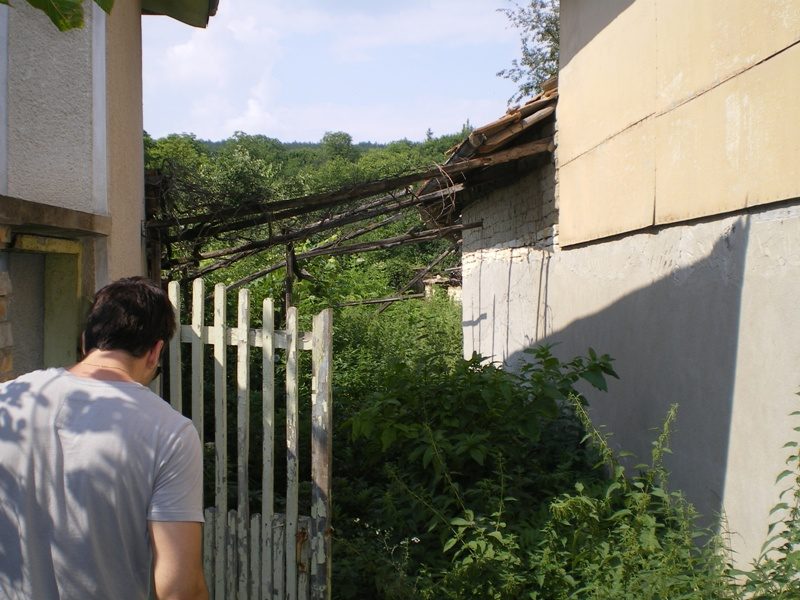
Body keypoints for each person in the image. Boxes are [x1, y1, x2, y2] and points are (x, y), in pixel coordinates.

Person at [0, 277, 208, 599]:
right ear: (155, 352)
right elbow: (179, 590)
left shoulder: (7, 401)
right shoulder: (169, 432)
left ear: (85, 341)